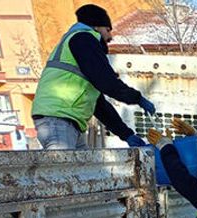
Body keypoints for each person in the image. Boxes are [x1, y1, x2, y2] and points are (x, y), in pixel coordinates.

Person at [31, 4, 155, 150]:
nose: (110, 37)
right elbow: (107, 82)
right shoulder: (83, 39)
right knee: (62, 169)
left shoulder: (81, 43)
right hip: (58, 120)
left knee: (84, 171)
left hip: (67, 121)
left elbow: (99, 104)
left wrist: (126, 134)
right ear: (96, 27)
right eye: (108, 30)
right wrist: (137, 98)